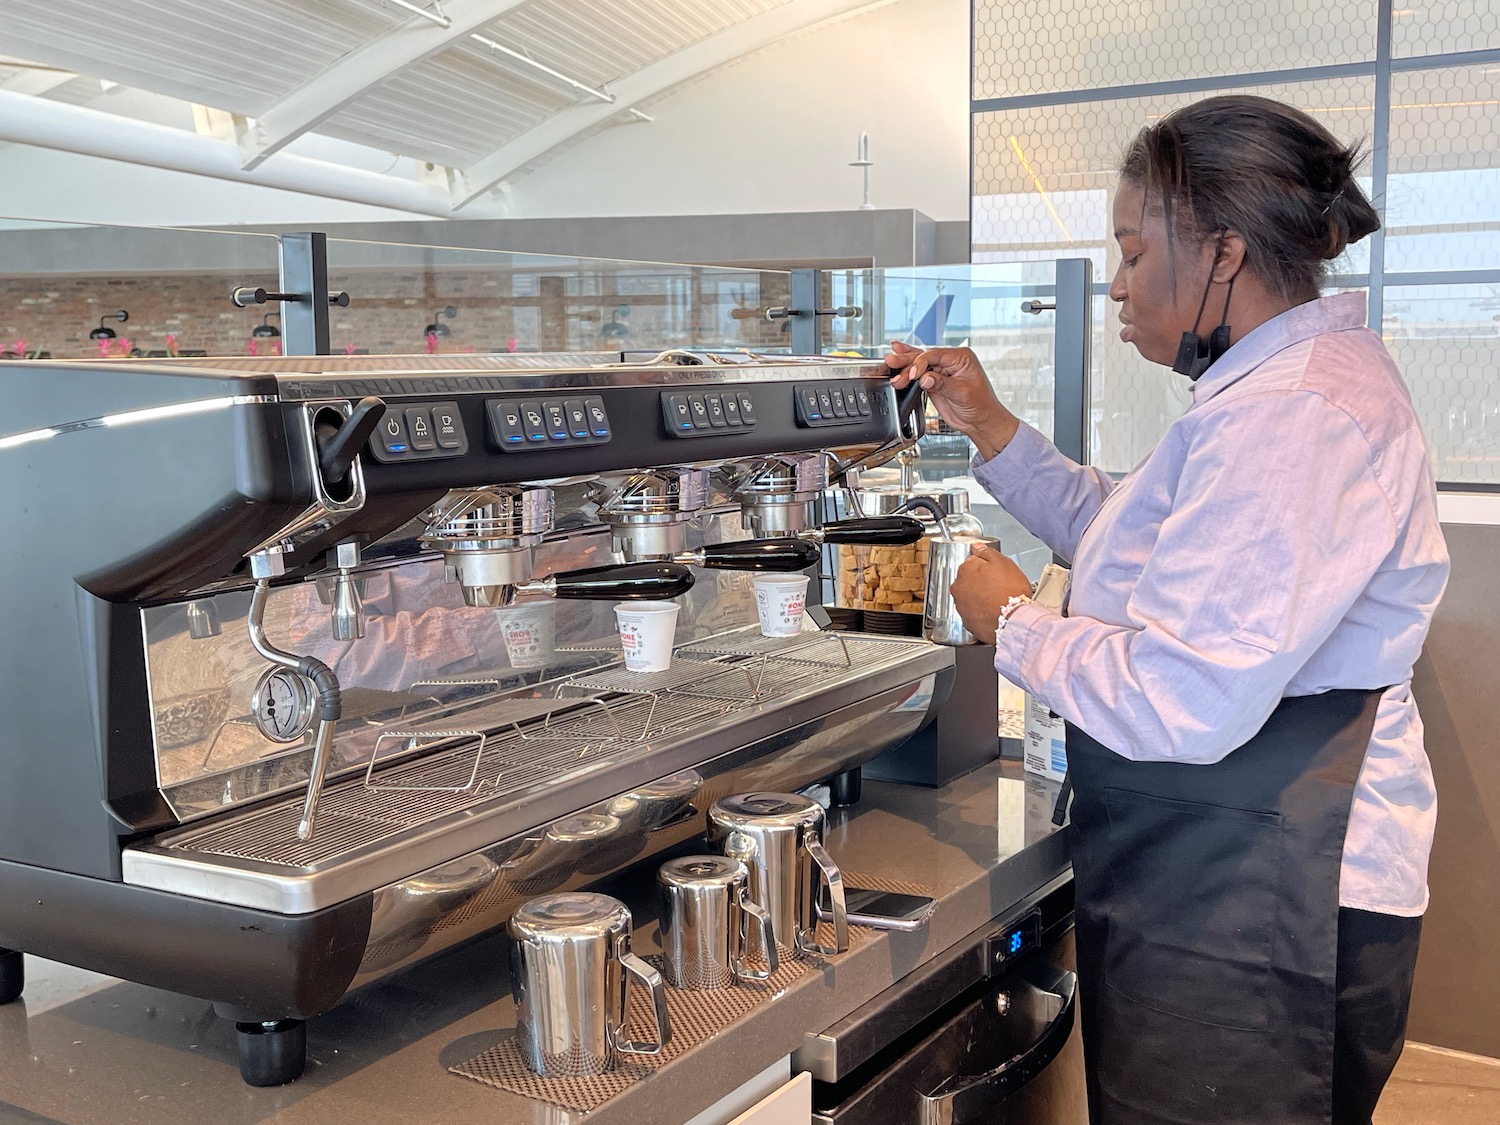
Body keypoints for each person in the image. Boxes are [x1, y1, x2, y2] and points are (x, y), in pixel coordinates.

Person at [887, 95, 1449, 1125]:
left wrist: (1010, 622)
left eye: (1135, 252)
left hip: (1269, 896)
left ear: (1224, 254)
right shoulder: (1276, 389)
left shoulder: (1293, 416)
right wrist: (992, 426)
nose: (1117, 283)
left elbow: (1185, 695)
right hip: (1234, 863)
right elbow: (1134, 534)